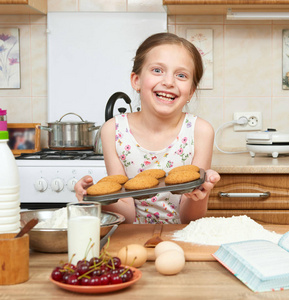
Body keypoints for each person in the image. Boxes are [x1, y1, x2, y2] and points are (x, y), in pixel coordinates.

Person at [75, 32, 220, 224]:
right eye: (157, 70)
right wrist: (96, 198)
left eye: (181, 75)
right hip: (131, 239)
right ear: (136, 80)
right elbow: (126, 215)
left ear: (191, 92)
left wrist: (201, 195)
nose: (169, 82)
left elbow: (189, 218)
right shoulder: (113, 131)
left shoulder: (200, 131)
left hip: (180, 238)